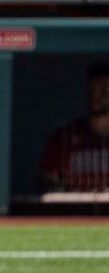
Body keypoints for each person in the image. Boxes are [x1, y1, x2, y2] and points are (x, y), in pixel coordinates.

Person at [41, 62, 109, 192]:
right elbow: (46, 181)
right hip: (75, 210)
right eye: (92, 91)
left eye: (103, 91)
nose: (95, 97)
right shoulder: (63, 138)